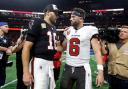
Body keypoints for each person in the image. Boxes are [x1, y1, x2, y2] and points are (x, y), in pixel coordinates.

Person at [60, 8, 104, 89]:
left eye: (73, 17)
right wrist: (64, 35)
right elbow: (63, 47)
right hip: (68, 67)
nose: (70, 19)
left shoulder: (90, 30)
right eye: (70, 17)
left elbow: (97, 52)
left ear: (81, 18)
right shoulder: (68, 30)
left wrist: (100, 72)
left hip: (82, 68)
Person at [22, 4, 61, 89]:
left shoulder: (53, 28)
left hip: (50, 63)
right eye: (55, 13)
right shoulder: (37, 22)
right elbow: (26, 47)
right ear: (47, 13)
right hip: (39, 62)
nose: (57, 16)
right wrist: (25, 72)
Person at [0, 22, 12, 87]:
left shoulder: (7, 38)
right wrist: (6, 49)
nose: (8, 28)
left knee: (1, 82)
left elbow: (11, 48)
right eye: (6, 26)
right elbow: (7, 49)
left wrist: (11, 48)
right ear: (0, 27)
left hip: (2, 64)